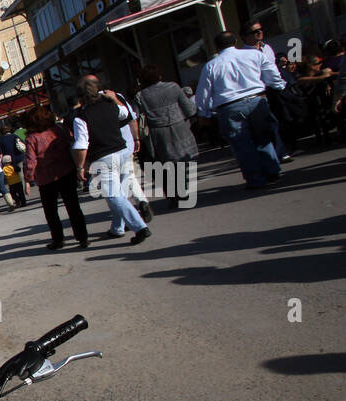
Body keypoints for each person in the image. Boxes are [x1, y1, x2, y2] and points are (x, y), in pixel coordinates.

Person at [193, 31, 285, 189]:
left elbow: (203, 94)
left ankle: (255, 179)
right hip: (257, 99)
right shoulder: (254, 55)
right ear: (235, 41)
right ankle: (272, 171)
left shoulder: (211, 66)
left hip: (230, 107)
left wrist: (204, 112)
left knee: (242, 144)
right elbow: (272, 74)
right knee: (263, 137)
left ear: (216, 46)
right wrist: (279, 86)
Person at [71, 76, 151, 245]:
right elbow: (126, 115)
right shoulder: (111, 105)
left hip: (103, 157)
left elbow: (81, 144)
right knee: (120, 192)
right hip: (122, 151)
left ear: (80, 96)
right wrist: (114, 99)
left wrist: (80, 167)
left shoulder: (81, 116)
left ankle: (139, 226)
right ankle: (118, 227)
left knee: (114, 195)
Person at [23, 107, 87, 250]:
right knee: (73, 206)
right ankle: (82, 237)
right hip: (66, 171)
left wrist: (28, 179)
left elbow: (30, 160)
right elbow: (71, 142)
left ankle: (58, 239)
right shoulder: (59, 129)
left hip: (46, 178)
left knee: (51, 211)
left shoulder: (32, 138)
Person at [134, 64, 199, 193]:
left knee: (164, 163)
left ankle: (173, 192)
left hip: (157, 133)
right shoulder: (173, 87)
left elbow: (136, 118)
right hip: (180, 128)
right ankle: (182, 189)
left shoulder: (140, 96)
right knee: (181, 160)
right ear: (159, 76)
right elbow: (190, 110)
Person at [240, 19, 291, 160]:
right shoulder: (243, 54)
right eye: (254, 32)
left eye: (260, 30)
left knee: (282, 117)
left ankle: (286, 146)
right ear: (245, 36)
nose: (259, 33)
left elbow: (271, 68)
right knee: (269, 122)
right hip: (260, 91)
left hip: (275, 87)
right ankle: (280, 152)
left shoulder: (266, 47)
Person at [0, 123, 28, 207]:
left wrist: (1, 164)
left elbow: (1, 153)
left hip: (8, 162)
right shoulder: (15, 136)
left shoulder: (1, 140)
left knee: (11, 180)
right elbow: (22, 145)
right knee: (21, 177)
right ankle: (24, 195)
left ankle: (17, 199)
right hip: (19, 159)